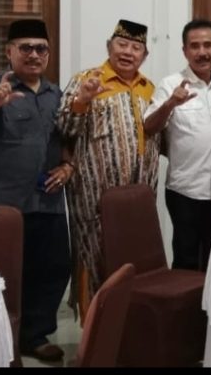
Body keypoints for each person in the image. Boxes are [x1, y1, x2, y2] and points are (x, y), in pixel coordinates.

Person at [0, 19, 71, 363]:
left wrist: (69, 167)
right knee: (2, 273)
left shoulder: (57, 94)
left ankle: (34, 336)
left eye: (41, 48)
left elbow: (70, 138)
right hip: (2, 204)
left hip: (47, 201)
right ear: (9, 51)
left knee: (52, 268)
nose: (34, 54)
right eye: (25, 48)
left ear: (48, 53)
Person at [57, 19, 160, 302]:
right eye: (122, 44)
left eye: (136, 48)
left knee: (134, 262)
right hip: (94, 198)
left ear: (144, 56)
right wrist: (82, 100)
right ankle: (94, 327)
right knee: (95, 261)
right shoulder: (86, 80)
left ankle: (129, 322)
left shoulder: (150, 88)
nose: (128, 52)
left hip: (137, 199)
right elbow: (64, 129)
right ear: (108, 47)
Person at [143, 19, 211, 271]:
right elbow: (148, 127)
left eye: (208, 45)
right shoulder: (170, 84)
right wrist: (170, 104)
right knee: (185, 260)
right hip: (184, 191)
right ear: (185, 51)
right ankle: (185, 300)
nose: (202, 52)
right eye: (195, 46)